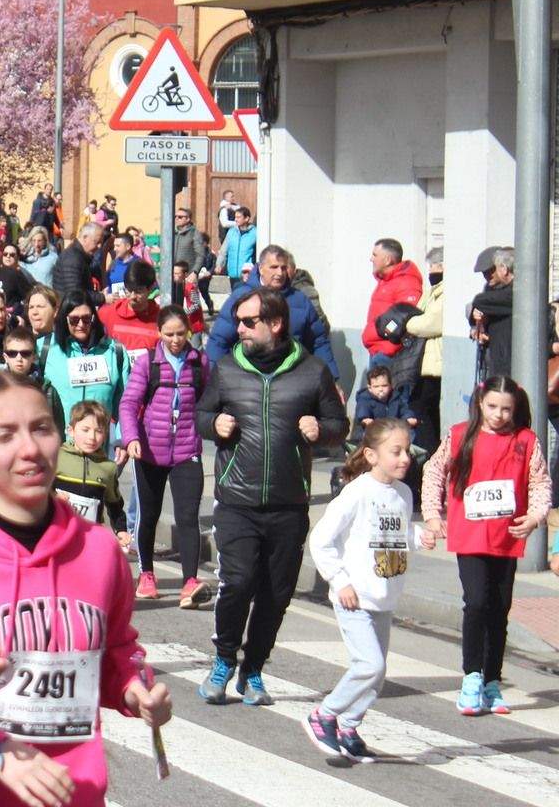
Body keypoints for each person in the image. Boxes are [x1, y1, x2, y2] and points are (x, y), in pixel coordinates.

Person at [0, 371, 171, 807]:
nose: (29, 449)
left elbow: (118, 648)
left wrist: (133, 688)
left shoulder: (99, 551)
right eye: (4, 435)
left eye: (41, 428)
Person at [196, 287, 347, 706]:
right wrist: (215, 424)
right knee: (239, 582)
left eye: (249, 322)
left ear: (275, 325)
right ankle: (224, 658)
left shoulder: (312, 371)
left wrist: (324, 431)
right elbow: (201, 416)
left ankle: (254, 669)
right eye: (239, 322)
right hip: (237, 501)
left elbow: (340, 425)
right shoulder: (227, 370)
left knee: (276, 594)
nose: (239, 329)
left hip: (288, 503)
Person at [420, 376, 550, 715]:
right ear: (480, 403)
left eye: (507, 409)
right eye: (492, 407)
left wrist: (535, 517)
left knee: (499, 607)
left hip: (507, 537)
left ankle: (493, 680)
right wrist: (433, 515)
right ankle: (472, 676)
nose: (499, 415)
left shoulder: (526, 441)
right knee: (476, 602)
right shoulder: (461, 435)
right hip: (471, 535)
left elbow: (540, 483)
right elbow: (434, 471)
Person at [304, 418, 415, 762]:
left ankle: (349, 727)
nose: (405, 458)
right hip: (353, 595)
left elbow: (398, 535)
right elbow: (321, 540)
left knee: (377, 672)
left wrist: (419, 536)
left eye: (407, 451)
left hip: (384, 594)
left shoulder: (403, 494)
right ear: (371, 454)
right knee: (368, 664)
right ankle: (324, 714)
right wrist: (339, 581)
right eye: (395, 451)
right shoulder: (358, 492)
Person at [119, 306, 209, 607]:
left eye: (180, 334)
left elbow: (210, 402)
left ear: (189, 332)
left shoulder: (200, 364)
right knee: (148, 515)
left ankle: (190, 581)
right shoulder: (148, 364)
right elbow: (129, 403)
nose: (175, 340)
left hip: (187, 450)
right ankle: (146, 574)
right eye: (168, 334)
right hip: (149, 451)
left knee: (187, 517)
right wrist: (131, 438)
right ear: (159, 333)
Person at [206, 245, 341, 381]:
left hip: (291, 382)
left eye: (283, 268)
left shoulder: (301, 300)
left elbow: (319, 341)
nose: (280, 273)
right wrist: (214, 381)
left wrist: (332, 380)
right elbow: (219, 341)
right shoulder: (241, 297)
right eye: (274, 267)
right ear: (261, 269)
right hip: (249, 382)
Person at [38, 294, 128, 427]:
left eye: (86, 319)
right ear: (64, 319)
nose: (81, 325)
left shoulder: (115, 351)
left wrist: (121, 440)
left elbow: (126, 403)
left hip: (99, 441)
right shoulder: (44, 348)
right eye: (74, 320)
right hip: (61, 443)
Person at [55, 400, 131, 545]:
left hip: (90, 538)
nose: (92, 437)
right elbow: (39, 490)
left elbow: (114, 503)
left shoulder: (108, 468)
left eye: (99, 431)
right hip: (58, 533)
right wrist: (53, 496)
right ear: (70, 430)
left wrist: (120, 529)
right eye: (85, 430)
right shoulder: (57, 457)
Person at [405, 247, 445, 506]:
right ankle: (427, 476)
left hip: (436, 368)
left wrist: (408, 324)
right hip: (422, 367)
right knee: (423, 422)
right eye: (430, 269)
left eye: (436, 269)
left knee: (430, 425)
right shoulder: (431, 292)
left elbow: (426, 323)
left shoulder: (444, 294)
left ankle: (433, 478)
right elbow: (417, 313)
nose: (433, 274)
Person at [362, 238, 424, 359]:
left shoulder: (407, 282)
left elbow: (400, 318)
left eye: (375, 255)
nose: (371, 259)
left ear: (387, 260)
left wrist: (374, 333)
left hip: (390, 354)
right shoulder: (385, 281)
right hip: (376, 351)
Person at [469, 247, 516, 381]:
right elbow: (477, 311)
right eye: (484, 274)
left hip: (509, 358)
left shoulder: (516, 291)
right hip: (493, 355)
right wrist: (478, 322)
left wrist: (480, 308)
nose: (487, 277)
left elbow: (480, 301)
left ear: (504, 268)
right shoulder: (489, 289)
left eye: (490, 272)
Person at [97, 261, 161, 354]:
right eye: (129, 290)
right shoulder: (106, 314)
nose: (132, 296)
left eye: (138, 291)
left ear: (150, 289)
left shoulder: (161, 317)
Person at [51, 222, 103, 304]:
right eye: (97, 241)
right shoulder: (72, 258)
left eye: (101, 242)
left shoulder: (81, 255)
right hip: (69, 311)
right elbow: (75, 293)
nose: (100, 246)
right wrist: (102, 298)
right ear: (85, 237)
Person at [220, 206, 258, 290]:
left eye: (238, 217)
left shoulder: (255, 233)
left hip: (247, 273)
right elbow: (224, 249)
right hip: (233, 273)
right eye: (235, 217)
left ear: (246, 218)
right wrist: (219, 264)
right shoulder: (231, 231)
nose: (236, 219)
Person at [168, 207, 200, 274]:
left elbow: (200, 255)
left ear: (188, 219)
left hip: (187, 274)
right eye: (175, 216)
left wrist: (195, 272)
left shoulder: (194, 233)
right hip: (172, 274)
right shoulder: (172, 233)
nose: (176, 219)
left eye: (180, 217)